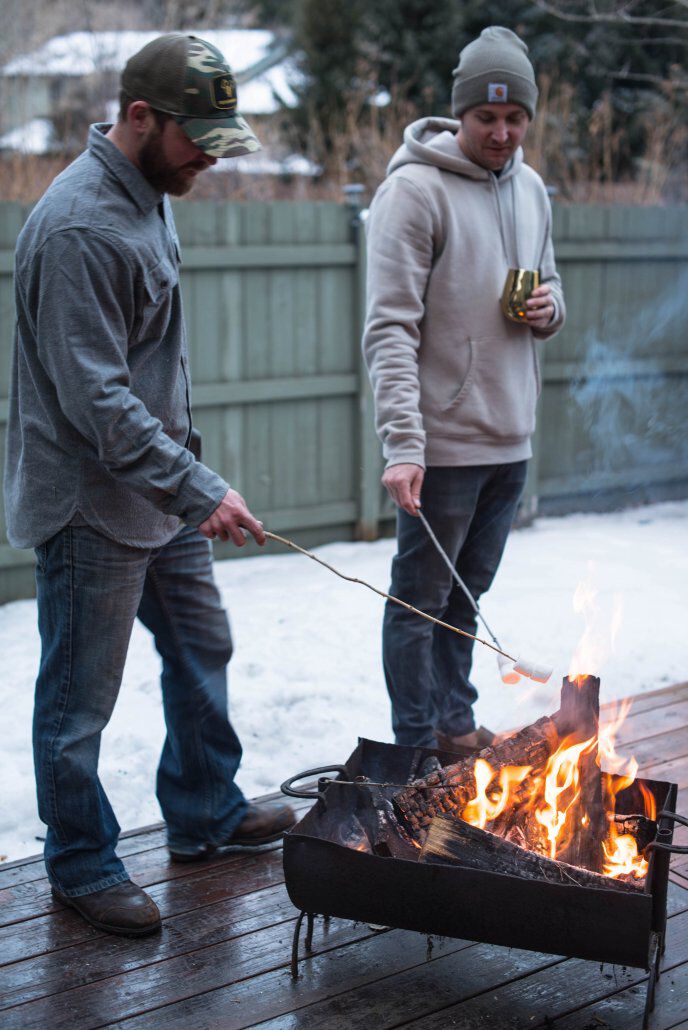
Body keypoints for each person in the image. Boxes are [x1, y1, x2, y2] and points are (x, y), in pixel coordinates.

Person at [4, 33, 295, 938]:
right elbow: (97, 401)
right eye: (198, 138)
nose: (210, 156)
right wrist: (196, 485)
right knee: (77, 704)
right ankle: (81, 864)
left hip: (157, 492)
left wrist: (182, 480)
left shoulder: (148, 189)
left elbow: (148, 360)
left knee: (202, 641)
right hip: (93, 504)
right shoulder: (83, 227)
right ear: (140, 117)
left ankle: (206, 812)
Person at [362, 26, 566, 753]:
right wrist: (404, 444)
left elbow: (549, 282)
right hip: (442, 447)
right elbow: (388, 330)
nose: (503, 133)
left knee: (466, 601)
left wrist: (550, 309)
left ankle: (453, 727)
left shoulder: (533, 188)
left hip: (510, 439)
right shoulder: (413, 191)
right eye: (488, 117)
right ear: (460, 114)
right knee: (420, 605)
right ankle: (415, 747)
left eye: (516, 119)